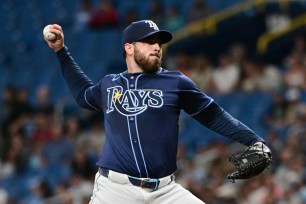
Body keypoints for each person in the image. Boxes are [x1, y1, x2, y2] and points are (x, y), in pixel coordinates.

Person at [44, 20, 268, 204]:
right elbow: (83, 95)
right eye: (149, 41)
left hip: (165, 192)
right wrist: (61, 51)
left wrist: (254, 140)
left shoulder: (176, 81)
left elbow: (213, 115)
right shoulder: (110, 84)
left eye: (158, 42)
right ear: (129, 47)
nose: (157, 47)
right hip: (115, 190)